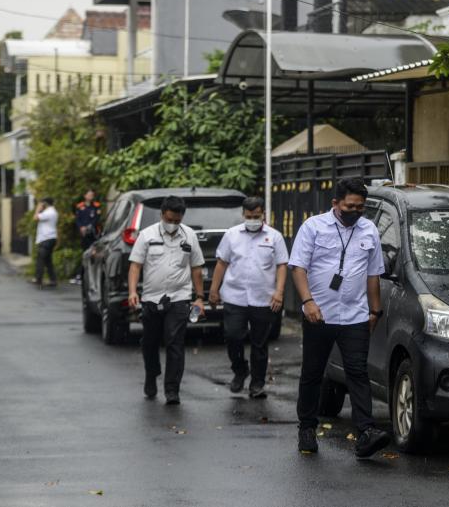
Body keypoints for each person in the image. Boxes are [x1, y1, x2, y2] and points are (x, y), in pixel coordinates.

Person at [289, 177, 391, 458]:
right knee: (312, 372)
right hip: (318, 315)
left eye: (361, 207)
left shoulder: (369, 230)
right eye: (350, 206)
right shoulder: (313, 227)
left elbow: (374, 274)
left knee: (358, 373)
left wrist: (375, 310)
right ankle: (307, 429)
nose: (356, 211)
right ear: (335, 203)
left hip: (355, 316)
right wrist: (307, 301)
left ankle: (365, 433)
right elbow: (297, 267)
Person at [127, 195, 205, 405]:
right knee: (150, 343)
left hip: (179, 298)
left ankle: (172, 389)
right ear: (162, 215)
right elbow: (135, 265)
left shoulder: (189, 236)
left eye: (176, 221)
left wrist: (199, 298)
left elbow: (196, 268)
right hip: (151, 298)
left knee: (175, 343)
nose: (172, 225)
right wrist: (133, 291)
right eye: (169, 220)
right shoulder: (147, 235)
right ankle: (151, 375)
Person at [209, 196, 288, 399]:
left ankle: (257, 384)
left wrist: (279, 292)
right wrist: (214, 290)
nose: (253, 219)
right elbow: (221, 263)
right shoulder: (231, 235)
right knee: (233, 336)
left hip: (263, 298)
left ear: (263, 215)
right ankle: (240, 369)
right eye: (249, 216)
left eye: (257, 216)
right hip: (235, 296)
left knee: (259, 343)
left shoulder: (275, 237)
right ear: (243, 215)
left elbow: (281, 265)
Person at [70, 189, 102, 285]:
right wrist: (81, 228)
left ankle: (86, 275)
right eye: (89, 194)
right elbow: (77, 220)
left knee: (92, 254)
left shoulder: (96, 206)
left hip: (93, 234)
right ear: (85, 196)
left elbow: (97, 219)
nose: (91, 196)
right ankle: (81, 275)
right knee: (85, 254)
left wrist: (89, 227)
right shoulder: (80, 206)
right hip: (84, 235)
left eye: (92, 194)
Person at [31, 197, 58, 289]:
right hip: (50, 238)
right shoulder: (52, 212)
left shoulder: (49, 213)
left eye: (42, 204)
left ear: (45, 204)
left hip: (46, 239)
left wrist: (38, 209)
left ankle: (38, 279)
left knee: (40, 259)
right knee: (47, 260)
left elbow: (35, 218)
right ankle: (53, 279)